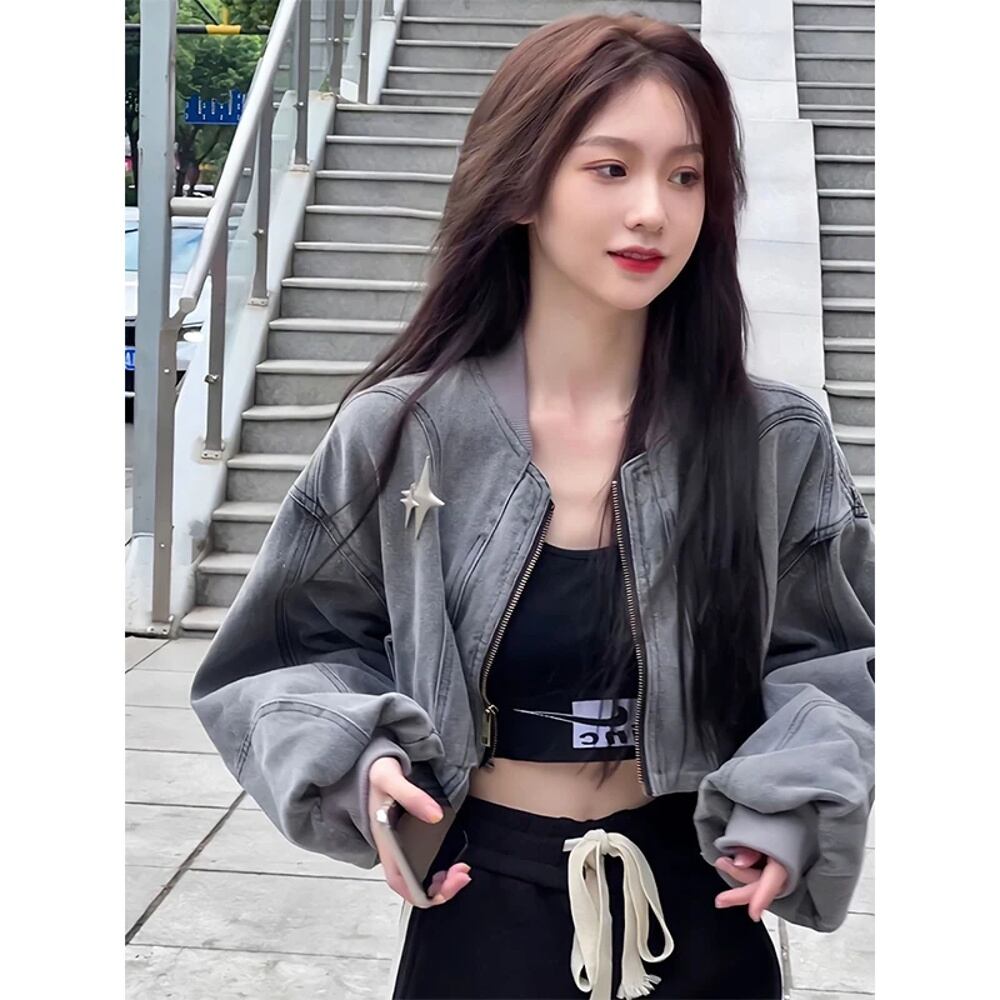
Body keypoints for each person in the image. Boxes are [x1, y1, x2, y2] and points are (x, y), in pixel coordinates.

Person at [190, 12, 874, 1000]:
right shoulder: (403, 432)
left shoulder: (774, 439)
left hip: (702, 902)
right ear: (521, 183)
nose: (653, 210)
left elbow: (834, 665)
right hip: (480, 904)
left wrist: (787, 805)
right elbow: (284, 651)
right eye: (611, 169)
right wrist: (355, 756)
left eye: (686, 175)